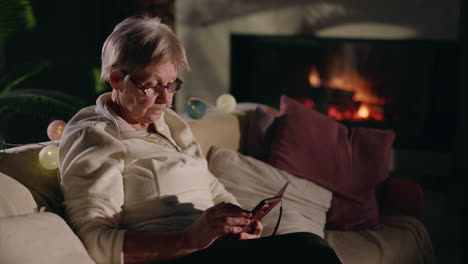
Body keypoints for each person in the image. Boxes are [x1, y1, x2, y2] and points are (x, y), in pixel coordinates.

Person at [58, 15, 342, 264]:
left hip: (213, 251)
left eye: (171, 84)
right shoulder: (95, 136)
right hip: (170, 257)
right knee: (308, 250)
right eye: (152, 85)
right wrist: (188, 239)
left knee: (306, 248)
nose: (166, 98)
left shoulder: (170, 124)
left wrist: (240, 224)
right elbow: (94, 241)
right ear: (117, 79)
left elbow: (213, 189)